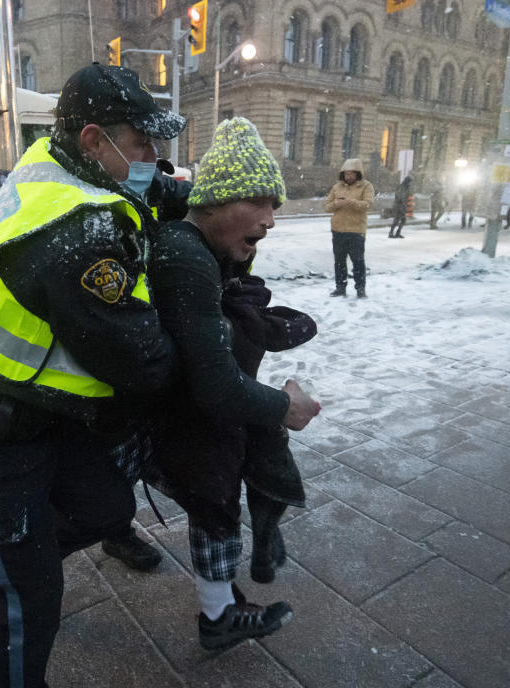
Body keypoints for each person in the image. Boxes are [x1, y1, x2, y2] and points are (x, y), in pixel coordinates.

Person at [0, 63, 185, 687]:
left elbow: (149, 188)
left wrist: (198, 197)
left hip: (47, 412)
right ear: (95, 138)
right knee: (28, 602)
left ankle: (0, 560)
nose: (155, 155)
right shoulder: (76, 232)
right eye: (142, 140)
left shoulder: (55, 159)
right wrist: (206, 351)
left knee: (105, 509)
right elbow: (139, 359)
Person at [146, 117, 321, 651]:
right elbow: (216, 386)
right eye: (260, 202)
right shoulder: (185, 255)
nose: (271, 219)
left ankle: (220, 605)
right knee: (213, 499)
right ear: (217, 202)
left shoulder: (206, 246)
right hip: (180, 414)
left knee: (212, 497)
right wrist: (282, 407)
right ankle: (218, 619)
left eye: (276, 206)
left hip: (187, 407)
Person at [326, 158, 375, 297]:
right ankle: (340, 287)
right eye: (347, 174)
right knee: (339, 262)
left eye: (352, 174)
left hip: (356, 231)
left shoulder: (366, 186)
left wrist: (349, 202)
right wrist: (336, 203)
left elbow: (368, 204)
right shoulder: (337, 187)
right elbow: (326, 207)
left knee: (358, 262)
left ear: (358, 174)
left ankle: (360, 289)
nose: (349, 177)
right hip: (338, 230)